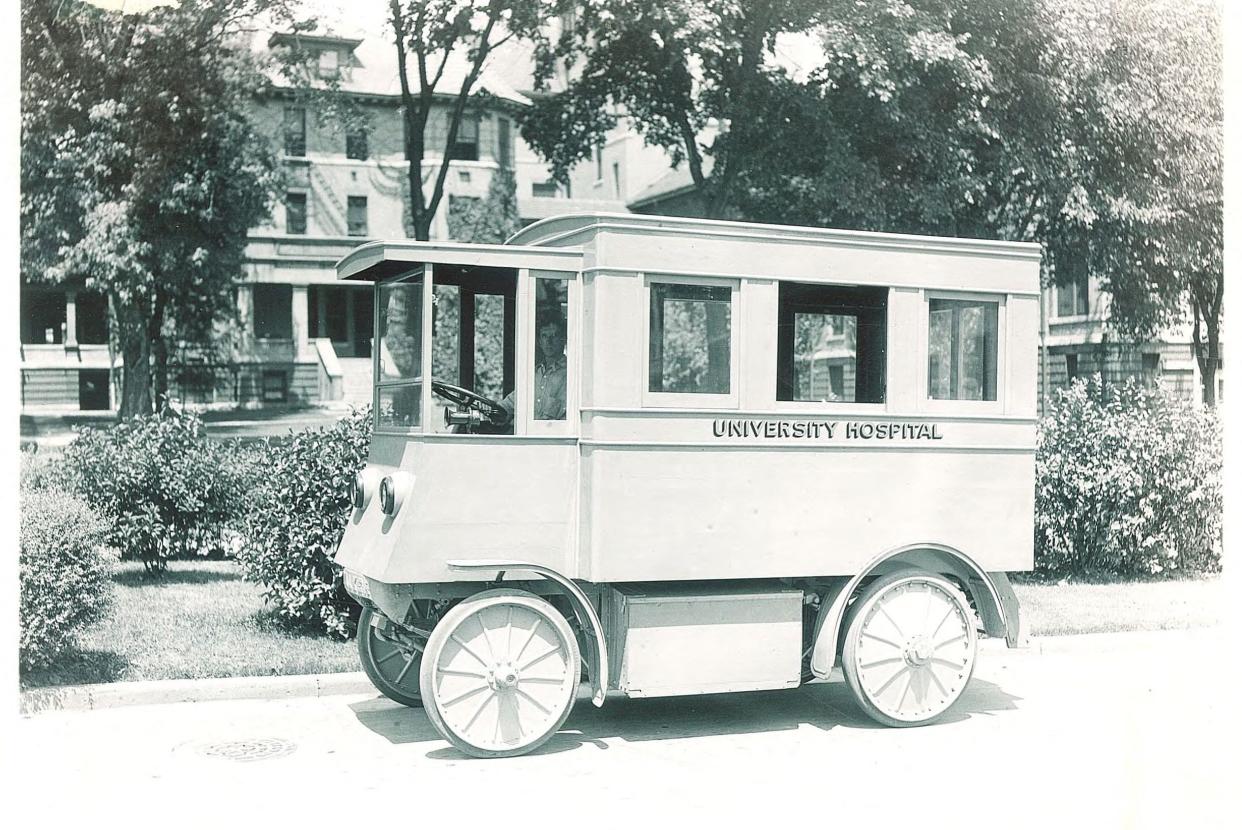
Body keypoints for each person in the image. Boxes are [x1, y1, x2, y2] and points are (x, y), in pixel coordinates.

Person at [500, 316, 566, 422]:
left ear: (563, 340)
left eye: (554, 336)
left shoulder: (569, 375)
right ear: (539, 341)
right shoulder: (535, 373)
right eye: (544, 336)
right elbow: (508, 405)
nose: (549, 341)